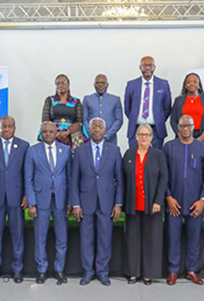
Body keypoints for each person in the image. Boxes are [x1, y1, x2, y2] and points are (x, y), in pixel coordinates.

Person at [70, 117, 123, 286]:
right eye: (94, 127)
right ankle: (88, 271)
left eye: (100, 127)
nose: (98, 130)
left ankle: (102, 272)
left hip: (107, 202)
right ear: (90, 130)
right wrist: (76, 204)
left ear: (104, 130)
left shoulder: (114, 150)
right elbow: (74, 180)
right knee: (86, 239)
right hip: (85, 203)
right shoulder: (80, 151)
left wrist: (118, 204)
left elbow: (119, 180)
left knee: (105, 238)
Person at [163, 115, 204, 286]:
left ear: (193, 127)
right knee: (173, 237)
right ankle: (173, 270)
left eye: (188, 125)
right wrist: (168, 197)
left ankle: (192, 270)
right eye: (182, 125)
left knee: (194, 238)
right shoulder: (168, 147)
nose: (185, 129)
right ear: (177, 128)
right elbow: (164, 177)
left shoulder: (203, 148)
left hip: (195, 203)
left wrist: (202, 200)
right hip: (173, 203)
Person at [0, 116, 29, 284]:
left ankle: (17, 270)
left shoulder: (24, 146)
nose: (6, 129)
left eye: (9, 126)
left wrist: (26, 195)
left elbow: (27, 173)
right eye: (3, 127)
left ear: (14, 128)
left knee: (18, 236)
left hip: (17, 198)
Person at [25, 121, 72, 285]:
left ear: (56, 132)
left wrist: (70, 202)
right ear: (41, 132)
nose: (47, 134)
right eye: (44, 131)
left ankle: (59, 269)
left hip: (61, 200)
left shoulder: (65, 150)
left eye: (51, 131)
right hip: (40, 201)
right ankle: (42, 270)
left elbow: (70, 177)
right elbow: (28, 179)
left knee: (62, 237)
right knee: (40, 237)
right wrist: (31, 203)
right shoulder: (32, 151)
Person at [122, 124, 168, 285]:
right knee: (132, 239)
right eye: (141, 134)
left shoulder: (158, 155)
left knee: (151, 239)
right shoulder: (128, 154)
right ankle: (133, 273)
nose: (144, 137)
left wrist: (158, 201)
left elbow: (164, 179)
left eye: (147, 135)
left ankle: (148, 274)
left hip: (152, 205)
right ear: (136, 137)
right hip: (132, 204)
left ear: (152, 137)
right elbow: (122, 179)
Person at [124, 56, 172, 149]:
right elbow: (127, 108)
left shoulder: (163, 84)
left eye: (150, 65)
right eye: (145, 65)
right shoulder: (131, 84)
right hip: (136, 130)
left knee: (154, 160)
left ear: (154, 67)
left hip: (156, 131)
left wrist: (159, 119)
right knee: (135, 159)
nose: (148, 68)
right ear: (140, 67)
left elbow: (167, 107)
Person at [42, 74, 87, 150]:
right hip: (53, 134)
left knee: (75, 157)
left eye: (63, 83)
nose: (60, 85)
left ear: (68, 85)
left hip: (72, 135)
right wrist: (57, 133)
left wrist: (68, 132)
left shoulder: (76, 101)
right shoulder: (50, 100)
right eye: (58, 83)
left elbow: (79, 122)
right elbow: (45, 120)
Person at [170, 73, 204, 146]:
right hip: (182, 137)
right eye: (188, 82)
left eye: (195, 82)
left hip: (202, 138)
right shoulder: (178, 100)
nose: (192, 84)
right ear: (185, 85)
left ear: (199, 85)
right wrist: (181, 136)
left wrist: (202, 137)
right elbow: (173, 121)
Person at [82, 74, 124, 144]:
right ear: (94, 85)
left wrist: (107, 135)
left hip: (110, 140)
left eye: (103, 83)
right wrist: (91, 133)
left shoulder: (115, 100)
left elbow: (119, 120)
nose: (100, 85)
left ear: (107, 85)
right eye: (97, 83)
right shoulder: (87, 99)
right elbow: (84, 119)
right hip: (91, 140)